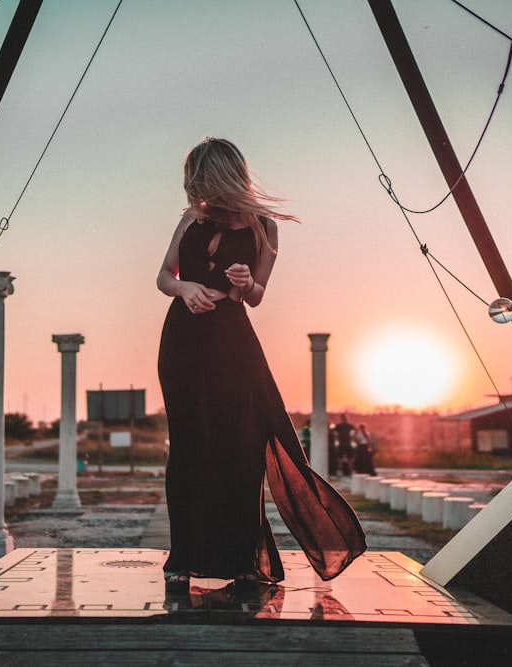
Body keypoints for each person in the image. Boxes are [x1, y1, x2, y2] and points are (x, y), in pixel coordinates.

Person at [156, 137, 366, 596]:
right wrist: (186, 288)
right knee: (187, 446)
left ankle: (242, 558)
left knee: (243, 446)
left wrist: (247, 281)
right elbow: (163, 277)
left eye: (200, 179)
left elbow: (256, 296)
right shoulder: (190, 218)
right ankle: (181, 557)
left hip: (232, 341)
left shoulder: (264, 228)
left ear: (220, 176)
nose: (195, 190)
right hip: (182, 342)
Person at [334, 414, 355, 478]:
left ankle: (348, 472)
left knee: (347, 459)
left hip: (345, 444)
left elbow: (335, 434)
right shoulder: (340, 426)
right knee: (341, 459)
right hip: (343, 443)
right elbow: (335, 434)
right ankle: (343, 472)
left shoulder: (348, 426)